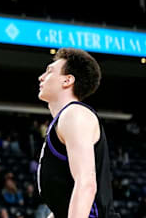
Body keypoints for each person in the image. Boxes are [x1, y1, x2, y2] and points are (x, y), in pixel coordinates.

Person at [36, 48, 119, 218]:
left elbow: (86, 184)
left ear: (67, 80)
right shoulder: (64, 120)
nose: (41, 77)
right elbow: (64, 205)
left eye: (49, 72)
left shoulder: (75, 114)